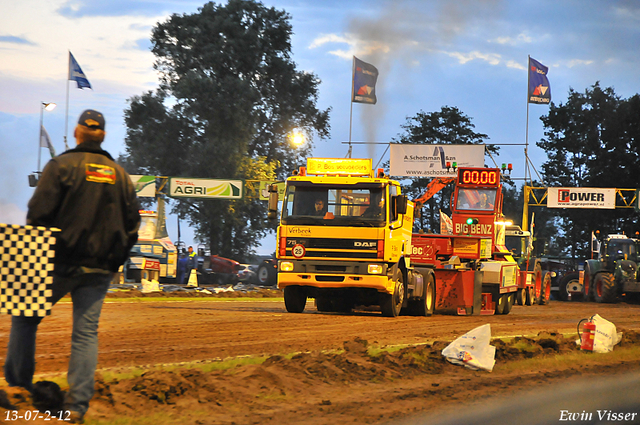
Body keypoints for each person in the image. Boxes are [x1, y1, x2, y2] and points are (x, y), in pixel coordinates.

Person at [3, 109, 141, 423]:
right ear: (103, 135)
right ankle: (76, 408)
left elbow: (37, 215)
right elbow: (133, 224)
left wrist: (40, 255)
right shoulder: (120, 176)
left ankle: (19, 391)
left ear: (78, 132)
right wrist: (113, 261)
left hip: (56, 263)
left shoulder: (60, 166)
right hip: (99, 270)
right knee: (85, 334)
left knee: (25, 318)